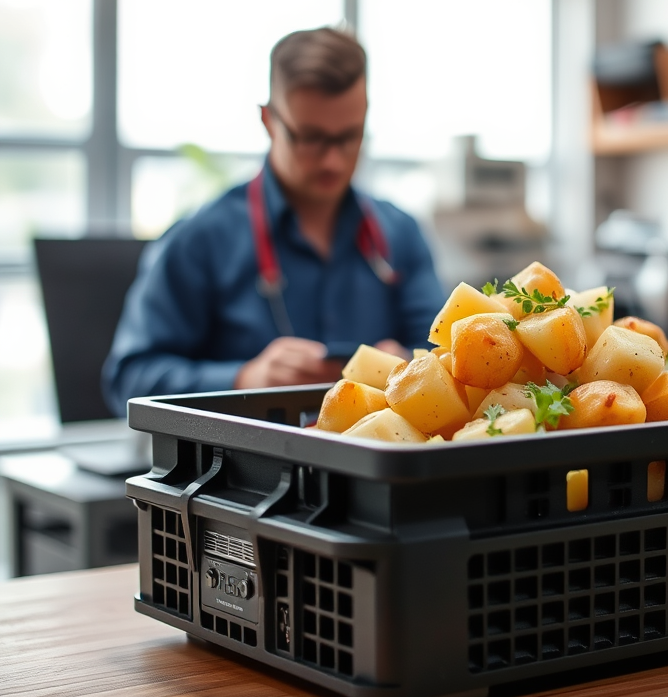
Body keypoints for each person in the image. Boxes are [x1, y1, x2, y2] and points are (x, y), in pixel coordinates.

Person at [102, 27, 444, 414]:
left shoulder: (401, 233)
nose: (333, 160)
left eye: (349, 137)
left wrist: (404, 362)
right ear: (269, 121)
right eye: (311, 138)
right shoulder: (200, 240)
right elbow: (128, 379)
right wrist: (243, 380)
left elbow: (440, 352)